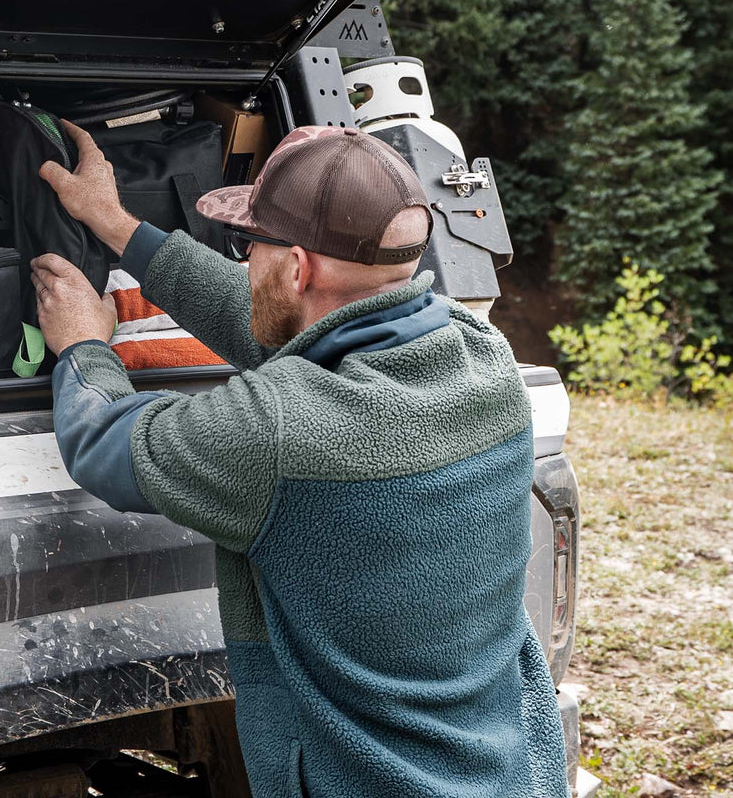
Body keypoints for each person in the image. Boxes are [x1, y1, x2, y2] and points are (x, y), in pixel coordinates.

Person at [31, 122, 569, 798]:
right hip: (514, 770)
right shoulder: (482, 356)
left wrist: (84, 347)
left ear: (295, 267)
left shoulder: (278, 431)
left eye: (246, 245)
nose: (243, 264)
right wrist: (115, 225)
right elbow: (278, 321)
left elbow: (104, 443)